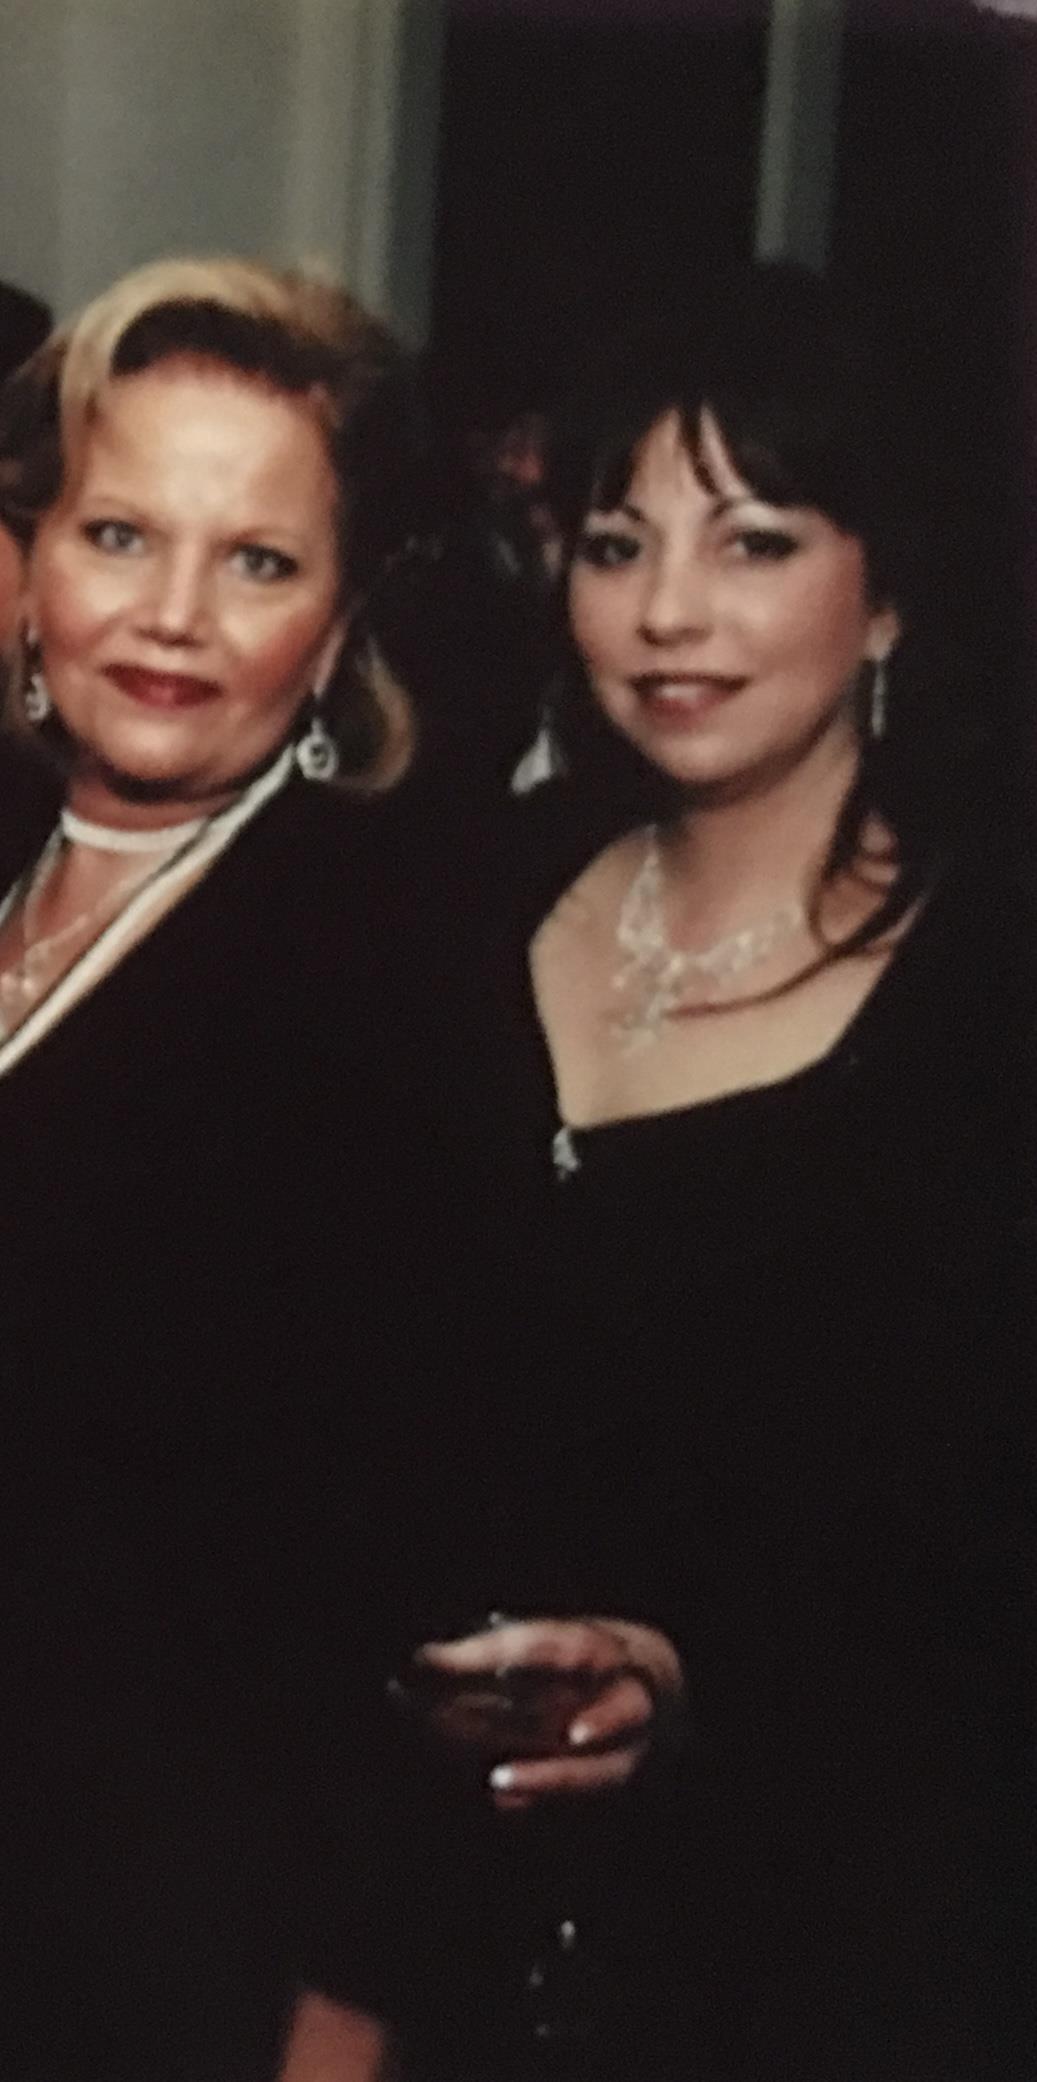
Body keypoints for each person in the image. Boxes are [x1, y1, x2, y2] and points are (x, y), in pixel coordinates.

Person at [302, 263, 1035, 2079]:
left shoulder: (986, 990)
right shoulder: (471, 893)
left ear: (890, 597)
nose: (668, 616)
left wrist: (704, 1678)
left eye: (756, 542)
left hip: (826, 1947)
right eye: (618, 544)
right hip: (433, 1923)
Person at [0, 254, 431, 2082]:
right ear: (27, 567)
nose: (170, 616)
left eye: (258, 561)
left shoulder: (370, 971)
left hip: (142, 1954)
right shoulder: (15, 863)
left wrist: (338, 2028)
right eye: (119, 533)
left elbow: (395, 1565)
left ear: (338, 628)